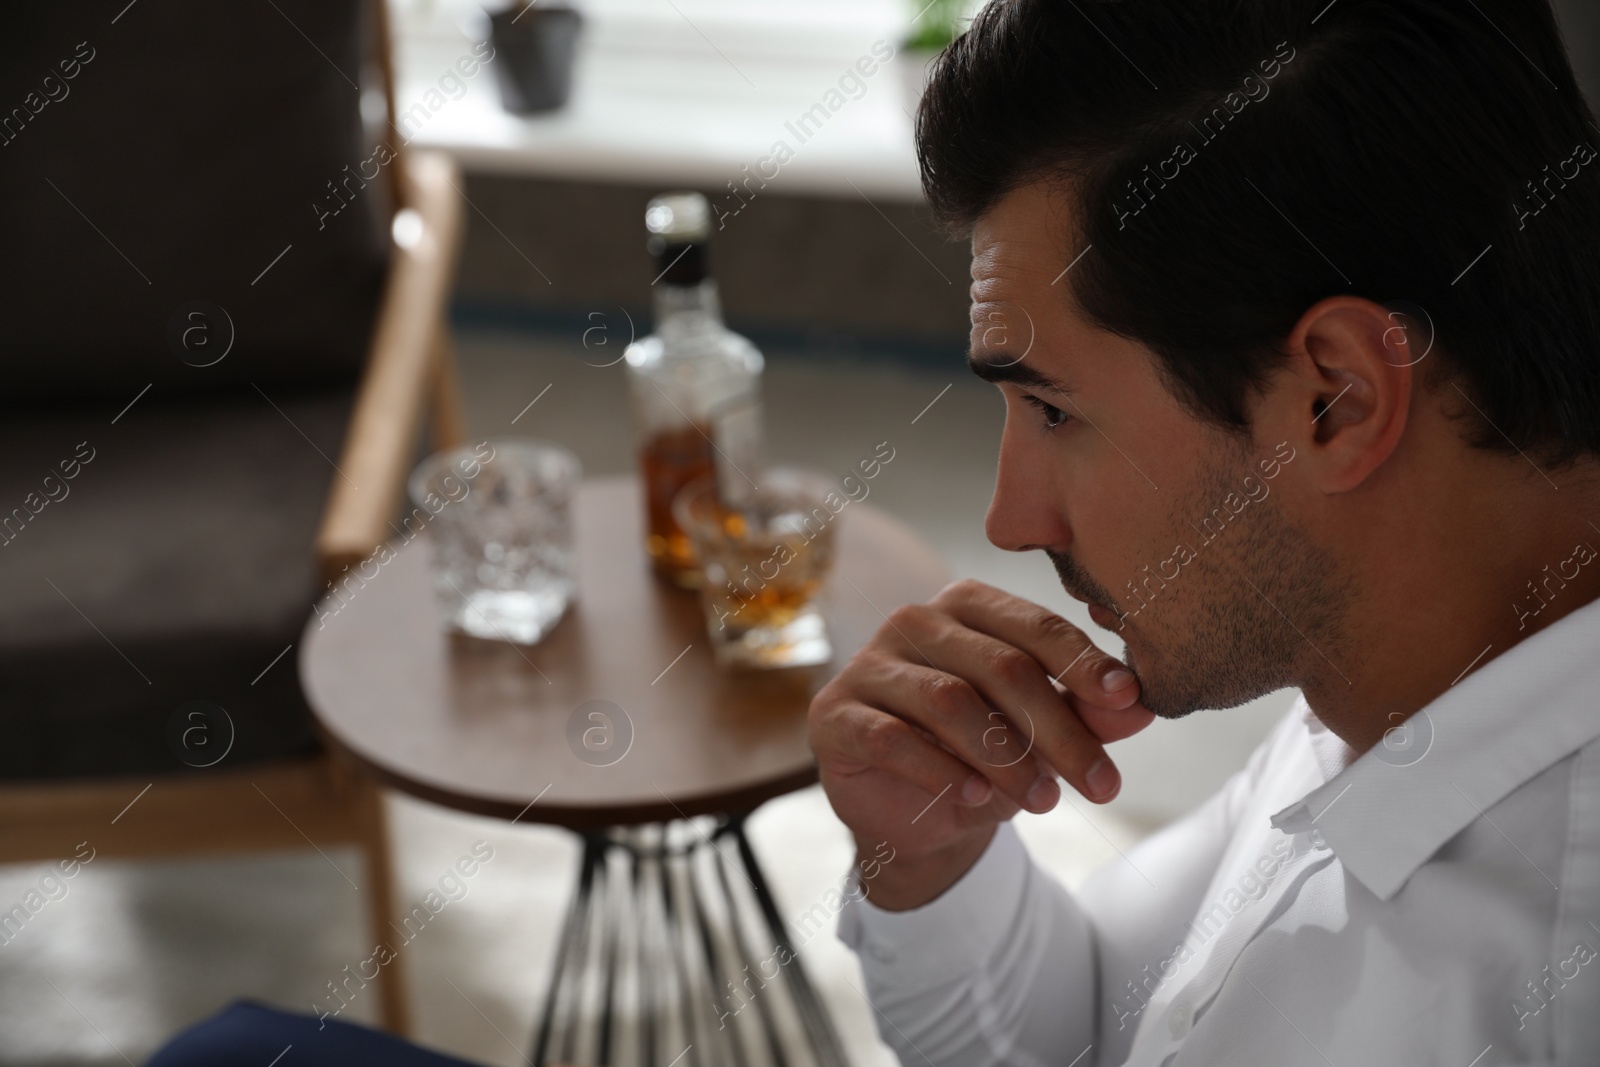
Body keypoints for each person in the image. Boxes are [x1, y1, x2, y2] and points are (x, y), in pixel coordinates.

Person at [810, 0, 1600, 1064]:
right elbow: (1108, 1018)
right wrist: (930, 859)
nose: (1007, 520)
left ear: (1337, 399)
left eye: (1054, 411)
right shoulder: (1379, 674)